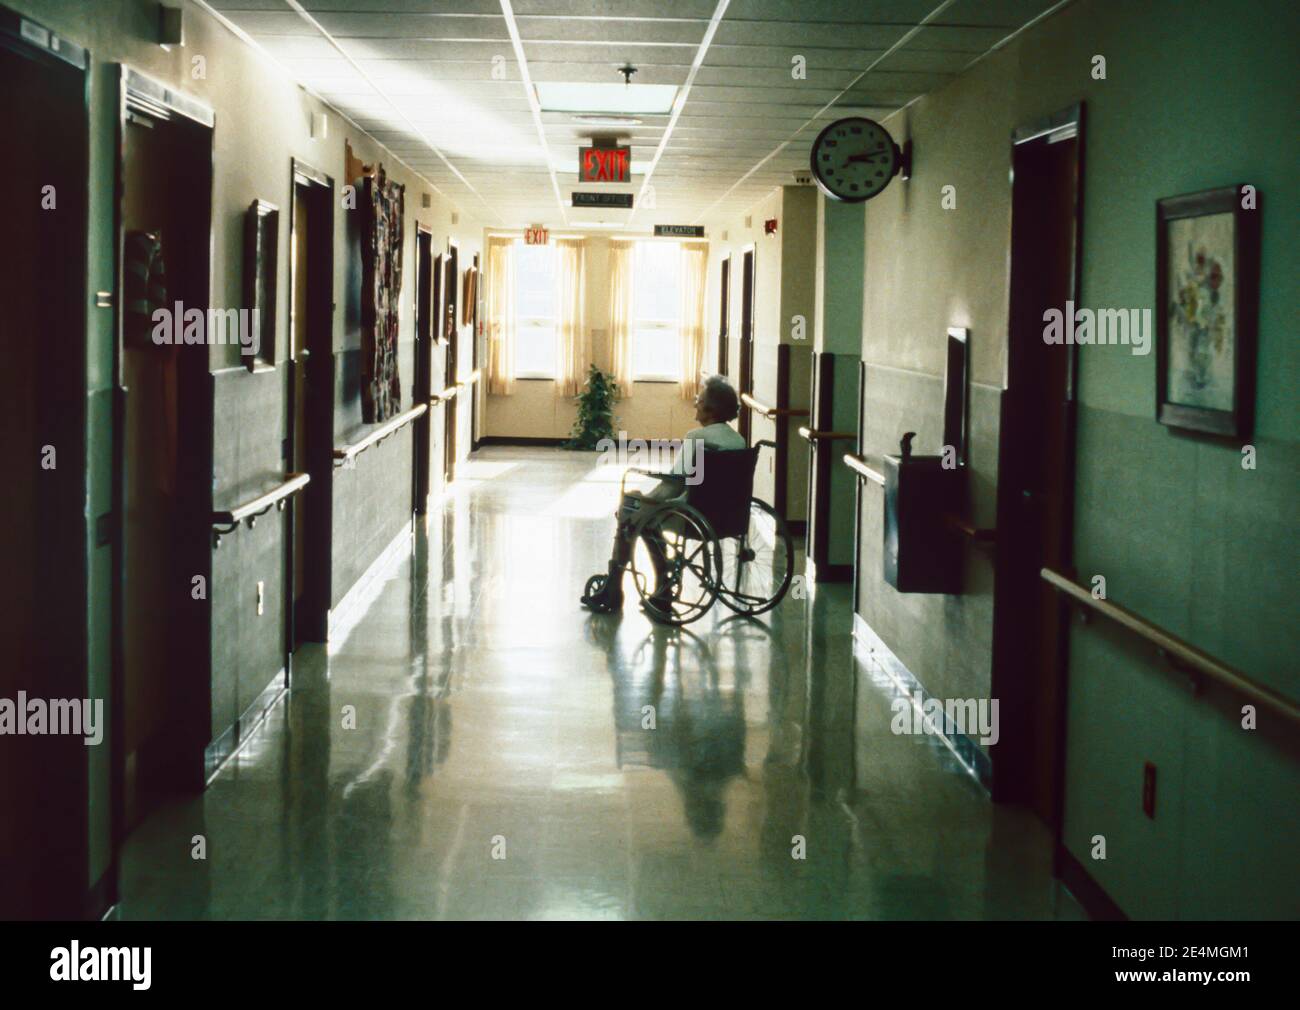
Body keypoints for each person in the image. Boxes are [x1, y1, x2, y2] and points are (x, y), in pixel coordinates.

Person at [581, 375, 746, 615]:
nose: (695, 403)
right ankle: (660, 588)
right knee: (640, 512)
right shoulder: (738, 441)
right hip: (725, 517)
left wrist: (643, 502)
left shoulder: (696, 438)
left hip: (691, 515)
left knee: (632, 509)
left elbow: (673, 483)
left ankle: (615, 586)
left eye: (699, 400)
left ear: (710, 409)